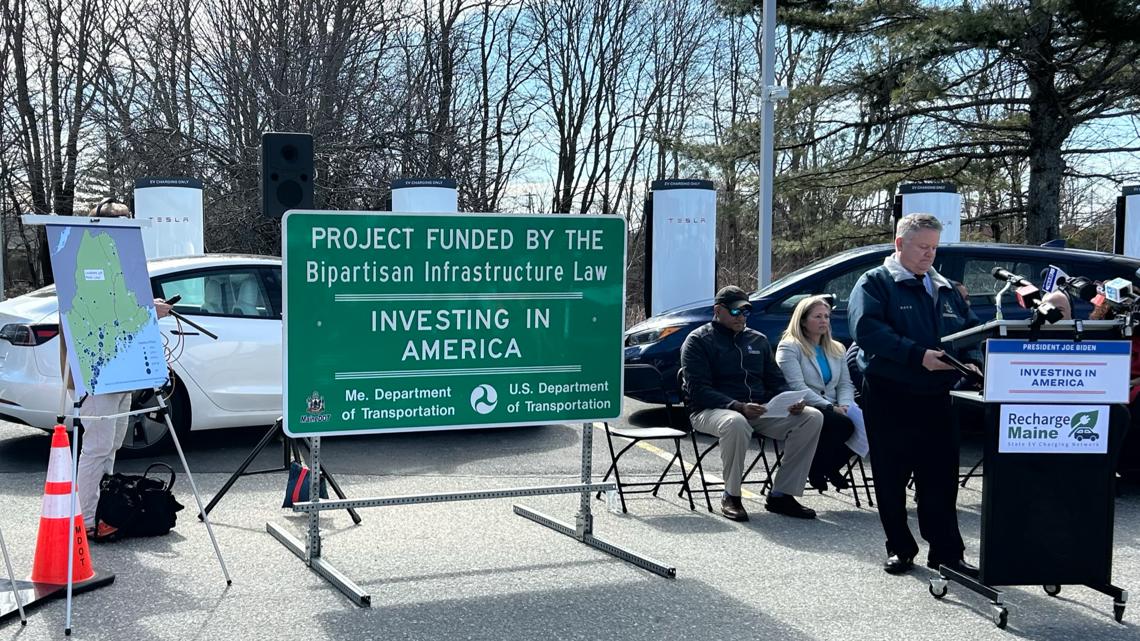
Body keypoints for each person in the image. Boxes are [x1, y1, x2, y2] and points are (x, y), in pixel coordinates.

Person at [848, 213, 981, 575]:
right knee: (891, 477)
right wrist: (917, 356)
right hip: (890, 395)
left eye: (934, 247)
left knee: (940, 477)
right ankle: (900, 549)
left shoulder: (945, 288)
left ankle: (947, 553)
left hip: (938, 396)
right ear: (899, 244)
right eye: (923, 247)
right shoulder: (875, 283)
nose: (929, 255)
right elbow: (867, 331)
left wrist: (974, 363)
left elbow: (970, 332)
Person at [65, 199, 173, 540]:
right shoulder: (87, 256)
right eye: (121, 220)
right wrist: (149, 313)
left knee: (111, 444)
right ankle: (85, 519)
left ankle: (104, 508)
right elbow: (101, 314)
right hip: (98, 369)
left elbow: (123, 306)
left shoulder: (121, 259)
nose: (128, 226)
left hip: (124, 365)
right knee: (96, 447)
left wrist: (146, 308)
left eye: (129, 220)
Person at [681, 285, 824, 521]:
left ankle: (781, 494)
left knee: (811, 416)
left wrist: (792, 400)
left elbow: (776, 381)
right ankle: (731, 495)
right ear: (718, 310)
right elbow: (698, 390)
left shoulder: (758, 340)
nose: (742, 317)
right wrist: (736, 406)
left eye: (746, 312)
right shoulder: (698, 340)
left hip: (759, 410)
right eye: (736, 312)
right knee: (735, 422)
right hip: (712, 411)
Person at [775, 295, 861, 491]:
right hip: (805, 405)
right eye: (817, 317)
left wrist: (846, 404)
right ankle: (819, 468)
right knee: (843, 425)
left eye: (826, 317)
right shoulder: (789, 347)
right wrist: (831, 407)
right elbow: (796, 386)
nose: (824, 321)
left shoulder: (836, 348)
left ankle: (827, 466)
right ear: (803, 321)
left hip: (836, 405)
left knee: (869, 422)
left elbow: (845, 384)